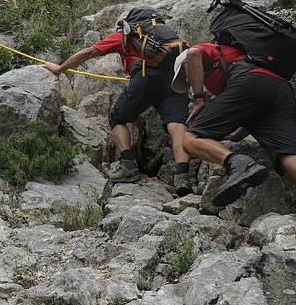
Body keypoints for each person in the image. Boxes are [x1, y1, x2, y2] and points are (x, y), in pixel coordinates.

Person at [171, 41, 296, 244]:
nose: (189, 82)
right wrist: (239, 132)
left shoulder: (202, 52)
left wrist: (199, 98)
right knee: (288, 157)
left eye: (186, 78)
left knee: (189, 139)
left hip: (247, 81)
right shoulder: (237, 60)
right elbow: (251, 105)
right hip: (278, 89)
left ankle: (239, 165)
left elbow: (194, 53)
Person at [42, 19, 194, 194]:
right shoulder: (168, 37)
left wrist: (60, 68)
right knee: (177, 124)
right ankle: (183, 177)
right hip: (175, 79)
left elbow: (89, 52)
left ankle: (128, 165)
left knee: (118, 118)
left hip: (144, 79)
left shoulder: (127, 35)